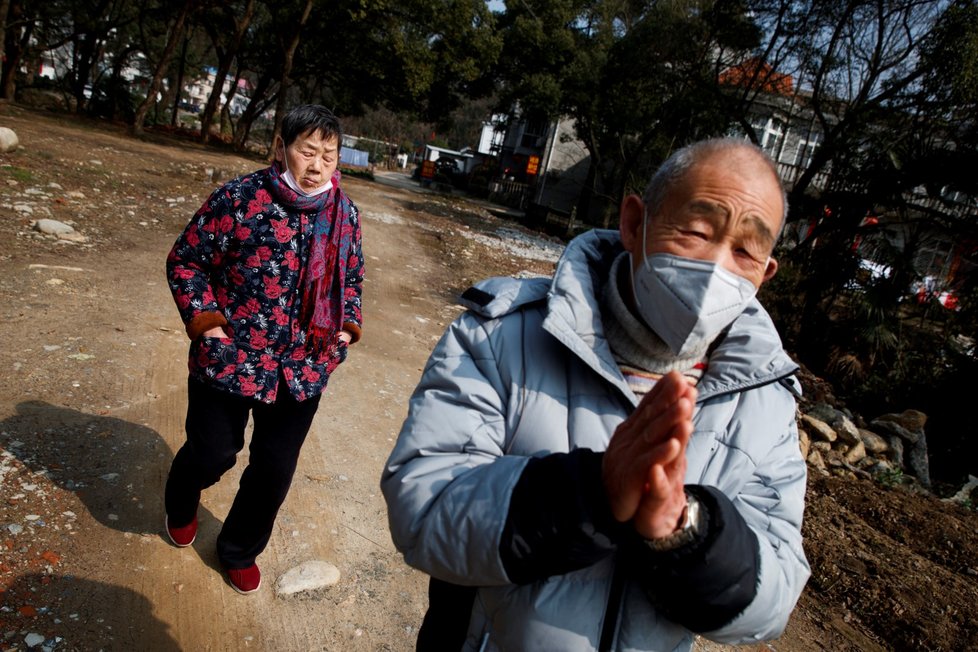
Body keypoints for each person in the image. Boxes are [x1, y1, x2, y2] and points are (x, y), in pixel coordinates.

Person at [381, 138, 809, 650]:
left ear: (765, 273)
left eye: (744, 250)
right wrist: (591, 494)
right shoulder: (501, 337)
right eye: (697, 231)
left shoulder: (767, 401)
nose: (716, 267)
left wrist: (684, 530)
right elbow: (423, 508)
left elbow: (774, 600)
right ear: (634, 223)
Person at [163, 104, 364, 594]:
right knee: (213, 453)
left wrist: (346, 326)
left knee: (273, 472)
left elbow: (352, 279)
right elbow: (186, 261)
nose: (317, 166)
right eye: (307, 151)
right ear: (282, 149)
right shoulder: (240, 198)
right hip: (231, 360)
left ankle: (238, 550)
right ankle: (182, 497)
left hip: (302, 368)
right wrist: (207, 324)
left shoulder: (344, 214)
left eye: (329, 156)